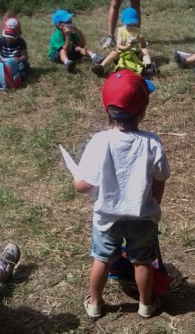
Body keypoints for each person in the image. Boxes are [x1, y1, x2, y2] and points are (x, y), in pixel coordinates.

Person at [72, 70, 171, 319]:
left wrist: (76, 178)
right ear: (143, 111)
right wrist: (154, 204)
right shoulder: (152, 143)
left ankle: (95, 303)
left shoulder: (99, 141)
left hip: (107, 217)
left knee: (102, 259)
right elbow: (160, 179)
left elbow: (82, 186)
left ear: (106, 109)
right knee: (142, 261)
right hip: (143, 216)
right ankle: (146, 304)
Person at [92, 7, 156, 78]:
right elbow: (119, 46)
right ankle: (101, 67)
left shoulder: (137, 31)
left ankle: (149, 67)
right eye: (129, 25)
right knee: (113, 53)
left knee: (145, 50)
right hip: (122, 55)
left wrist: (141, 40)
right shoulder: (121, 31)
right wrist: (127, 47)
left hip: (135, 55)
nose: (131, 27)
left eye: (134, 24)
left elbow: (143, 46)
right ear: (123, 22)